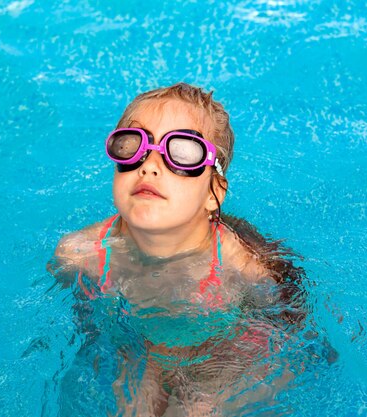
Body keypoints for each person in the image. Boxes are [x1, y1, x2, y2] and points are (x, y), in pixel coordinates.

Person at [48, 82, 309, 416]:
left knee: (197, 408)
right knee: (134, 403)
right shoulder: (81, 254)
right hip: (141, 342)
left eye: (182, 152)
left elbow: (288, 325)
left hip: (222, 349)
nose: (150, 165)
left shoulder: (243, 263)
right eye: (132, 145)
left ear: (213, 192)